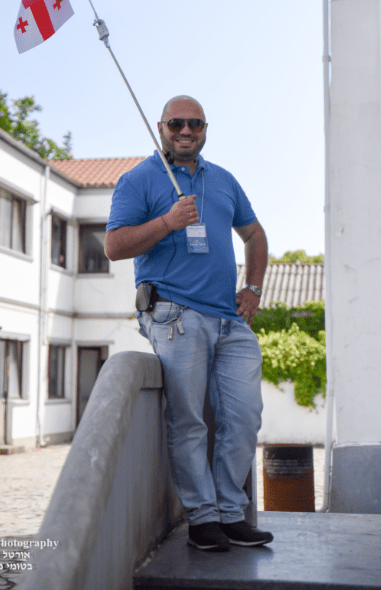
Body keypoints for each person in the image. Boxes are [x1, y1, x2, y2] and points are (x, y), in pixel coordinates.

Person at [105, 95, 272, 552]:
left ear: (204, 129)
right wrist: (168, 220)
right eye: (176, 123)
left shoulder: (222, 180)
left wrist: (252, 289)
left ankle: (230, 512)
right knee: (189, 421)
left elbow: (255, 234)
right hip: (173, 313)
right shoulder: (139, 180)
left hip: (228, 320)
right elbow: (115, 246)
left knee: (244, 418)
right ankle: (203, 519)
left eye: (194, 124)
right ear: (161, 127)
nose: (185, 130)